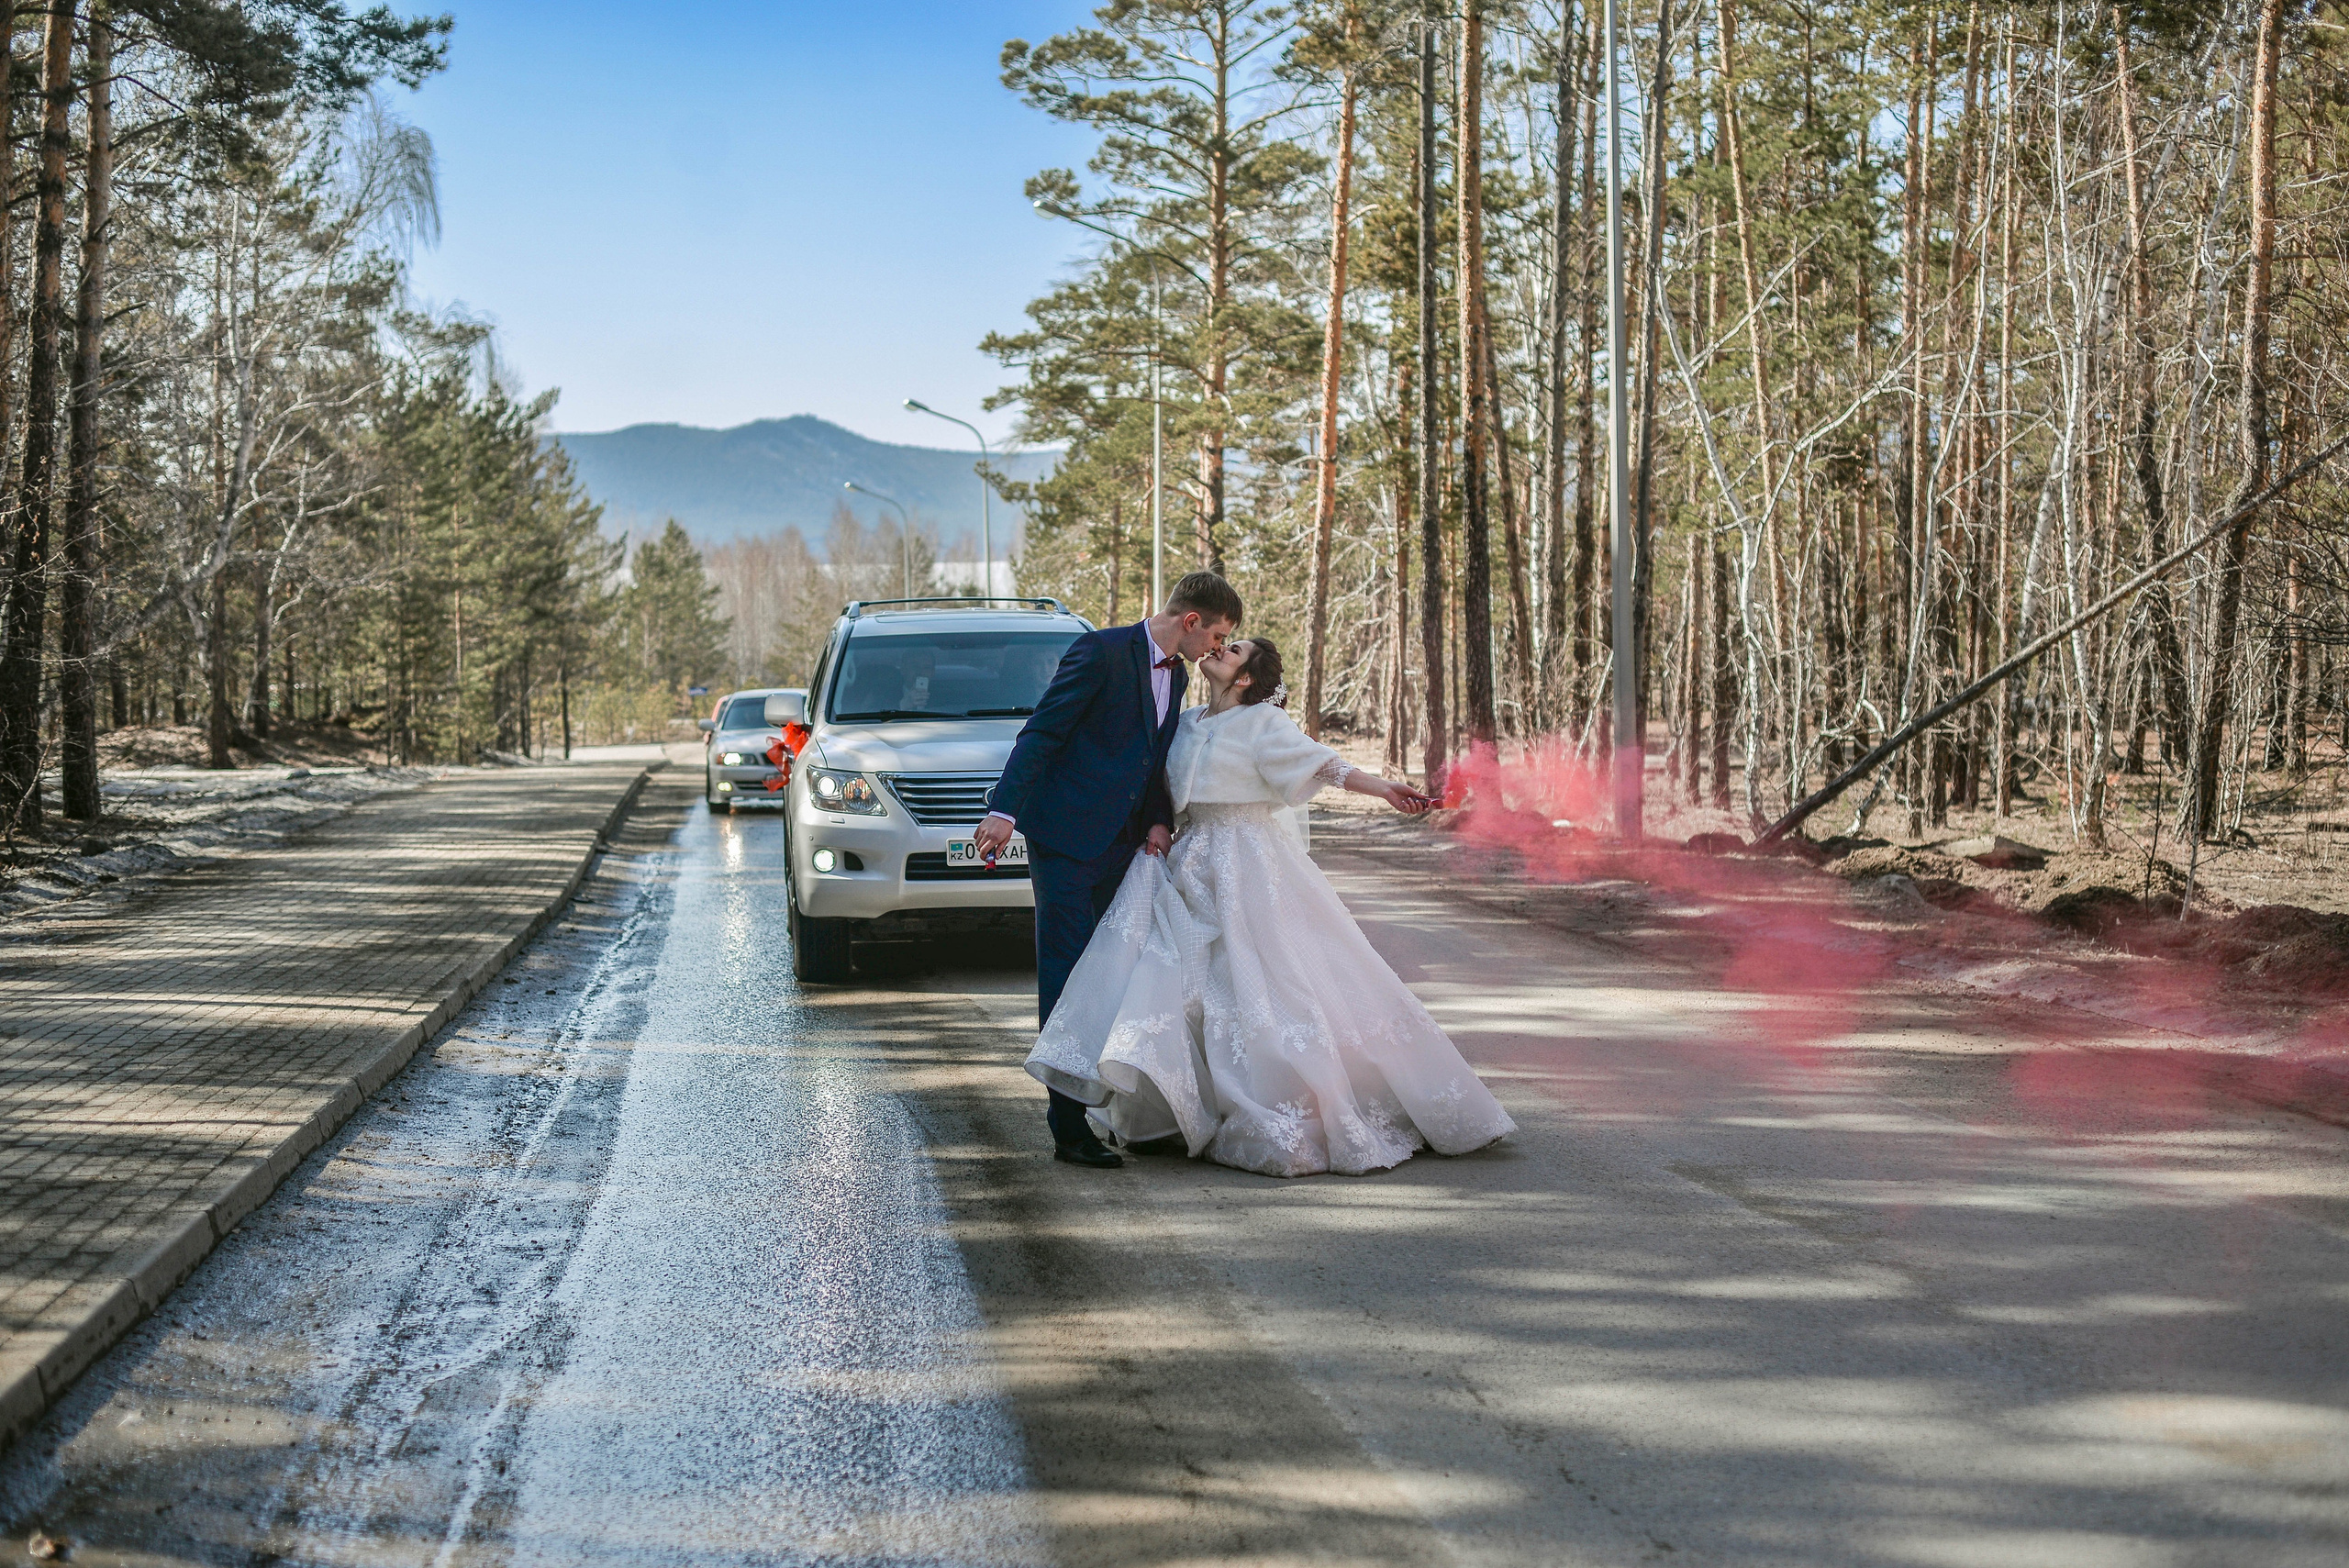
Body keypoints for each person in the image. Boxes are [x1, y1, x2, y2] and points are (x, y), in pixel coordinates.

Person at [1024, 636, 1517, 1177]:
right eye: (1220, 642)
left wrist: (1382, 789)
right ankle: (1175, 1109)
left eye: (1231, 650)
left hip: (1248, 861)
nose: (1216, 649)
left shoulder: (1265, 723)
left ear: (1244, 679)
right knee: (1175, 978)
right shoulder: (1187, 722)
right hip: (1189, 860)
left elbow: (1324, 764)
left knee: (1269, 979)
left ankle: (1294, 1095)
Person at [975, 572, 1243, 1168]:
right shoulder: (1097, 651)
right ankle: (1068, 1126)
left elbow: (1154, 758)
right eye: (1217, 635)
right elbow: (1044, 732)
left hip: (1127, 847)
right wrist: (1005, 810)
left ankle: (1109, 1107)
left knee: (1117, 974)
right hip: (1067, 842)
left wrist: (1157, 821)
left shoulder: (1174, 675)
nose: (1217, 650)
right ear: (1192, 621)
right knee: (1069, 976)